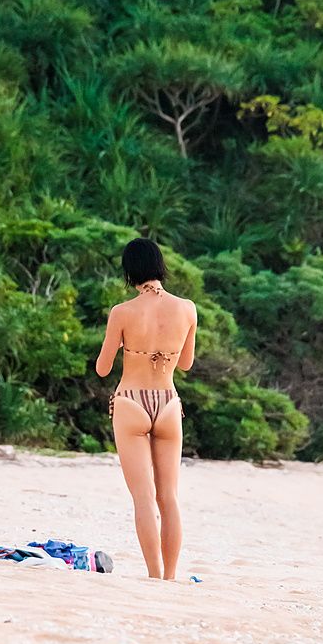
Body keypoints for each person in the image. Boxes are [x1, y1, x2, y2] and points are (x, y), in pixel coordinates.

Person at [95, 238, 197, 580]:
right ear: (160, 266)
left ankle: (154, 575)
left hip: (131, 402)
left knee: (143, 497)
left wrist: (127, 343)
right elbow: (186, 363)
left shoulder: (122, 312)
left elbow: (103, 369)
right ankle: (170, 577)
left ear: (130, 272)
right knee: (169, 496)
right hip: (168, 402)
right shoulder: (188, 309)